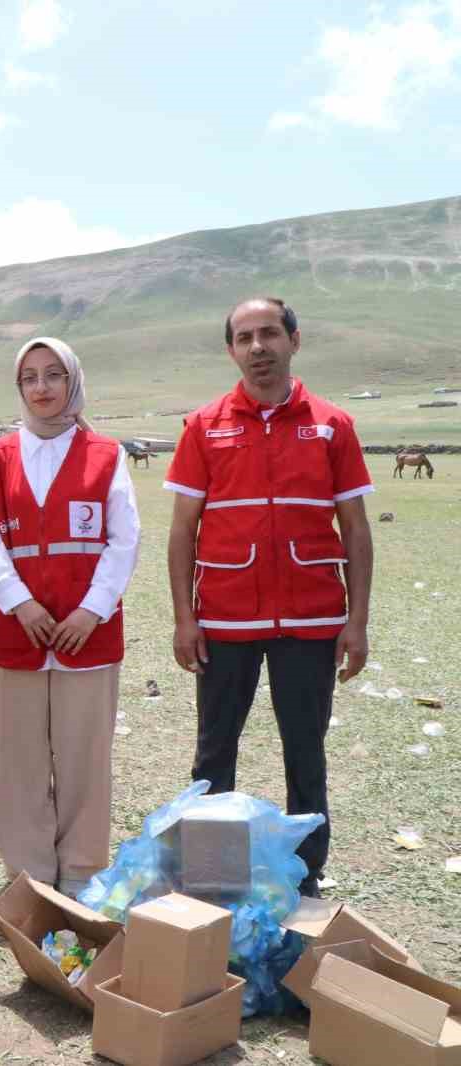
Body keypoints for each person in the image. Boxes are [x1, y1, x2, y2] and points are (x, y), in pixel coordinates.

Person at [165, 297, 373, 896]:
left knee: (305, 750)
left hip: (312, 618)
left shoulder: (334, 425)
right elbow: (183, 530)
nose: (258, 347)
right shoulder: (203, 426)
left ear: (294, 341)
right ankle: (208, 876)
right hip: (226, 617)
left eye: (270, 334)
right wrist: (186, 618)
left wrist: (356, 622)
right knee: (214, 753)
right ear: (231, 350)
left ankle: (306, 877)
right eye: (244, 337)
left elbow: (356, 529)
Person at [0, 336, 140, 897]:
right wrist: (20, 602)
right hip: (22, 630)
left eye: (53, 375)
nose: (41, 387)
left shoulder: (106, 456)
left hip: (87, 634)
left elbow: (124, 539)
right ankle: (29, 875)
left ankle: (83, 872)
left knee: (84, 757)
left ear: (73, 381)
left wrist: (92, 610)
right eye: (29, 377)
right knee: (19, 759)